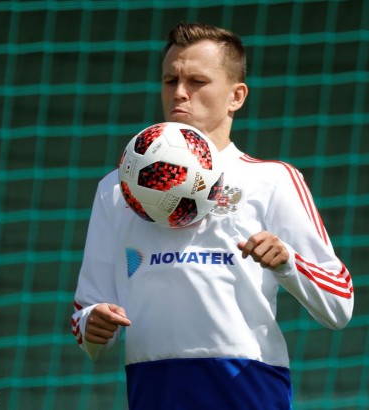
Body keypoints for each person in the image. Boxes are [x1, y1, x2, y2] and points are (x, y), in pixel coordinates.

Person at [71, 21, 354, 409]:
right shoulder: (118, 188)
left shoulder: (272, 180)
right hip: (153, 389)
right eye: (170, 80)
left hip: (248, 386)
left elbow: (339, 304)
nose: (179, 93)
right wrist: (94, 323)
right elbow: (87, 311)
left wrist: (288, 261)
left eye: (197, 81)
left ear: (236, 96)